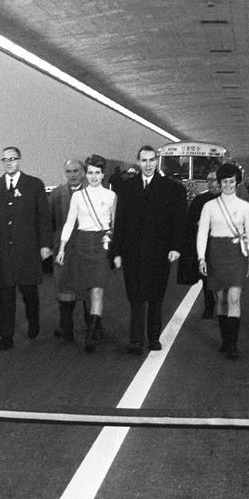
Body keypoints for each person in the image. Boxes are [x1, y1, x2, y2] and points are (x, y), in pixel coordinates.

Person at [111, 144, 186, 354]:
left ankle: (153, 338)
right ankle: (135, 340)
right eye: (144, 160)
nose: (148, 164)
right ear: (138, 162)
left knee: (155, 298)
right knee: (135, 297)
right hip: (132, 252)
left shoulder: (172, 189)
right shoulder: (126, 188)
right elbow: (120, 222)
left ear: (157, 161)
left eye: (152, 160)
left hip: (159, 253)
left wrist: (176, 247)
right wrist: (116, 251)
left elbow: (179, 222)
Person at [0, 146, 53, 351]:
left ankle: (33, 321)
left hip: (28, 249)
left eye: (12, 159)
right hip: (3, 250)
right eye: (5, 159)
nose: (9, 162)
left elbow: (43, 217)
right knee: (5, 294)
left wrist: (46, 244)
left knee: (29, 291)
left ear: (19, 160)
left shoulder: (34, 184)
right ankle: (6, 336)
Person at [56, 154, 117, 352]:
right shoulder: (78, 196)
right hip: (81, 244)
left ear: (103, 174)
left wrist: (115, 250)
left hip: (101, 245)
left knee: (97, 290)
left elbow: (114, 225)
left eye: (97, 173)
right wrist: (62, 247)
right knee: (84, 289)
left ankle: (91, 334)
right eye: (90, 173)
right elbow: (69, 222)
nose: (93, 176)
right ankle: (92, 325)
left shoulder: (111, 196)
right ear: (86, 174)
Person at [197, 162, 249, 359]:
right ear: (219, 183)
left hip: (237, 254)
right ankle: (225, 340)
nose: (228, 185)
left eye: (232, 181)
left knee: (233, 297)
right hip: (216, 253)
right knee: (221, 299)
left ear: (237, 182)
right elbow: (202, 233)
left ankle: (232, 344)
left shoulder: (245, 207)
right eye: (225, 181)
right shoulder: (209, 206)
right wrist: (201, 257)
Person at [48, 158, 87, 341]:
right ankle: (66, 329)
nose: (72, 175)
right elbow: (49, 222)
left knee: (90, 290)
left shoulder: (94, 192)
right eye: (69, 171)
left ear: (84, 171)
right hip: (64, 250)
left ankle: (93, 328)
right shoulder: (57, 194)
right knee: (64, 290)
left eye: (76, 171)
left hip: (88, 250)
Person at [177, 170, 220, 318]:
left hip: (223, 246)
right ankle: (209, 305)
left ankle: (222, 307)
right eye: (208, 180)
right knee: (207, 278)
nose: (210, 182)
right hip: (205, 245)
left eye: (213, 180)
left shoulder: (227, 199)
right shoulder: (200, 200)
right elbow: (190, 221)